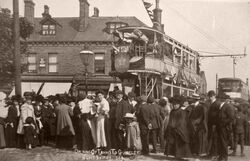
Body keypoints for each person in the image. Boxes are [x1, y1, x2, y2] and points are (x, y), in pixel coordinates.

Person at [164, 95, 191, 160]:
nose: (174, 106)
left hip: (179, 131)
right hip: (172, 130)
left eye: (176, 104)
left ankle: (179, 156)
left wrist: (175, 126)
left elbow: (182, 122)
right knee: (173, 144)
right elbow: (170, 120)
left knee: (179, 144)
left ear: (179, 105)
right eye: (173, 104)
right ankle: (176, 155)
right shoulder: (172, 111)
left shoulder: (182, 112)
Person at [216, 94, 235, 161]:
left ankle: (225, 157)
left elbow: (231, 118)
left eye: (218, 98)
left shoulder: (227, 106)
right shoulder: (221, 106)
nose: (217, 99)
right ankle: (221, 156)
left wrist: (224, 123)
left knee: (224, 142)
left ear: (221, 99)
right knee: (220, 142)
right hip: (220, 127)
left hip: (224, 127)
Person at [207, 90, 220, 157]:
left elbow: (217, 115)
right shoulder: (212, 103)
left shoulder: (216, 104)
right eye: (209, 96)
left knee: (214, 139)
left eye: (211, 96)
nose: (210, 98)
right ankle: (211, 153)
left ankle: (214, 153)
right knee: (211, 138)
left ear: (214, 96)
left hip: (214, 124)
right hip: (210, 124)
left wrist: (214, 124)